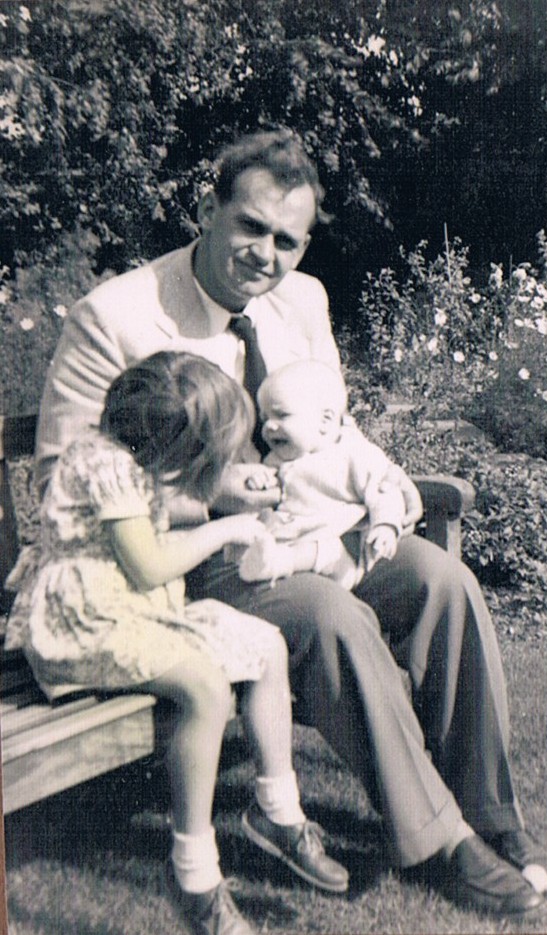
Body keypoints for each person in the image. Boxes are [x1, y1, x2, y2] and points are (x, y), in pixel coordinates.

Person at [33, 129, 547, 917]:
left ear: (304, 244)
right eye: (250, 226)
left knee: (441, 579)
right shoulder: (114, 316)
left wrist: (382, 488)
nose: (265, 254)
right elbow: (63, 478)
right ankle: (440, 842)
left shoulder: (302, 300)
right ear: (208, 209)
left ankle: (492, 816)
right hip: (189, 559)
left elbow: (332, 426)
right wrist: (214, 494)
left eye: (286, 240)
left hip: (314, 530)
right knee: (327, 614)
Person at [6, 351, 349, 935]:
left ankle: (278, 812)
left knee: (266, 646)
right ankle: (194, 872)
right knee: (205, 688)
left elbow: (146, 557)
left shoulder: (128, 455)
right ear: (169, 445)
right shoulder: (103, 466)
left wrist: (236, 497)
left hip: (130, 610)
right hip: (82, 625)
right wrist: (227, 528)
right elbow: (149, 566)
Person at [234, 360, 407, 591]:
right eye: (265, 418)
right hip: (298, 536)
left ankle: (276, 564)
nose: (269, 427)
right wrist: (262, 480)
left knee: (321, 548)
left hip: (342, 551)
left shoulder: (355, 454)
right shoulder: (280, 458)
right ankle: (266, 561)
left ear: (325, 420)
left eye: (282, 415)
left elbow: (384, 491)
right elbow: (272, 484)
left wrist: (385, 525)